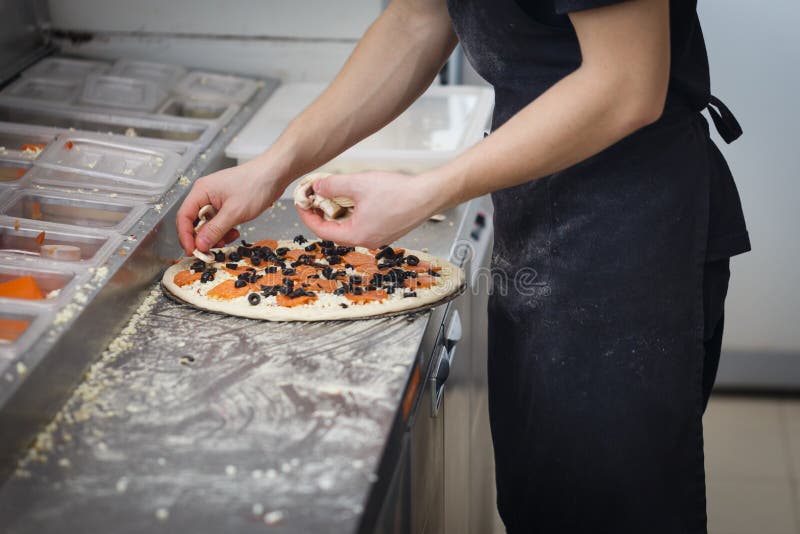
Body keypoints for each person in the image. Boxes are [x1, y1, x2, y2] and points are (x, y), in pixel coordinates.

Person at [177, 0, 750, 531]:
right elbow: (416, 21)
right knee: (546, 499)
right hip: (538, 215)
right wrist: (272, 167)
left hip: (630, 234)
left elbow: (627, 85)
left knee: (608, 508)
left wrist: (427, 192)